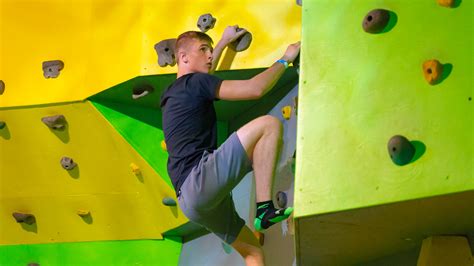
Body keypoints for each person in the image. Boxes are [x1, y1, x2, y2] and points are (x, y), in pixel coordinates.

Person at [160, 25, 300, 266]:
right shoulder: (195, 84)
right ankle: (265, 209)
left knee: (253, 252)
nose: (210, 56)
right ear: (182, 57)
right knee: (268, 125)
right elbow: (255, 89)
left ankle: (264, 213)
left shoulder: (173, 93)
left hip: (189, 202)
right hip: (199, 179)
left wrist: (223, 42)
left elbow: (207, 75)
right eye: (204, 50)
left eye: (211, 51)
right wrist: (285, 59)